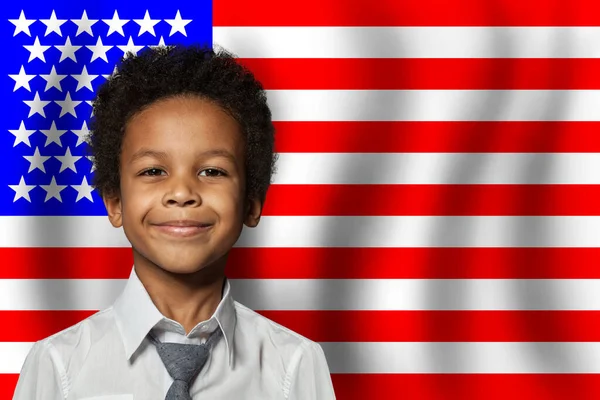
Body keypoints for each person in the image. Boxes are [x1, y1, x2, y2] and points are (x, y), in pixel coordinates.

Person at [13, 44, 336, 400]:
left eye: (212, 171)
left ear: (251, 203)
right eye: (153, 171)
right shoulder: (59, 367)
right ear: (115, 202)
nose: (181, 192)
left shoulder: (295, 365)